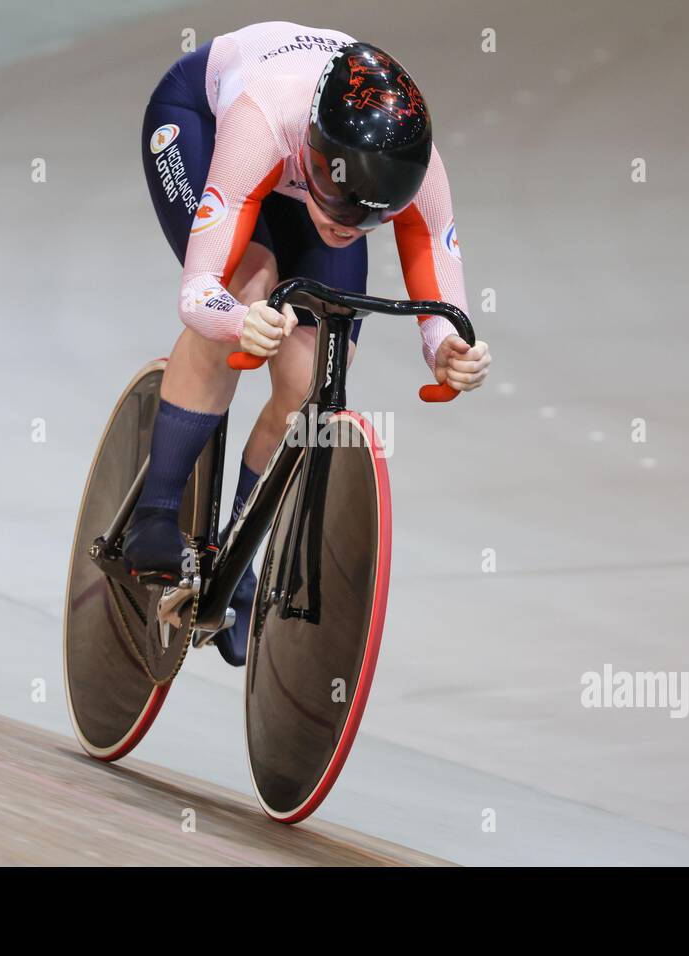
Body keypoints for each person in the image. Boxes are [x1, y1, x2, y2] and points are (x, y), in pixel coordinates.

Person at [128, 22, 491, 666]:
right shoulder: (265, 116)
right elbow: (198, 291)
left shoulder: (412, 165)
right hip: (206, 123)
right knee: (250, 282)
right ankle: (154, 513)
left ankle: (236, 558)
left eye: (371, 215)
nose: (353, 225)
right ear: (319, 153)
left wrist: (444, 345)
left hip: (307, 169)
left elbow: (432, 255)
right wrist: (235, 321)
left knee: (310, 379)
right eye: (346, 205)